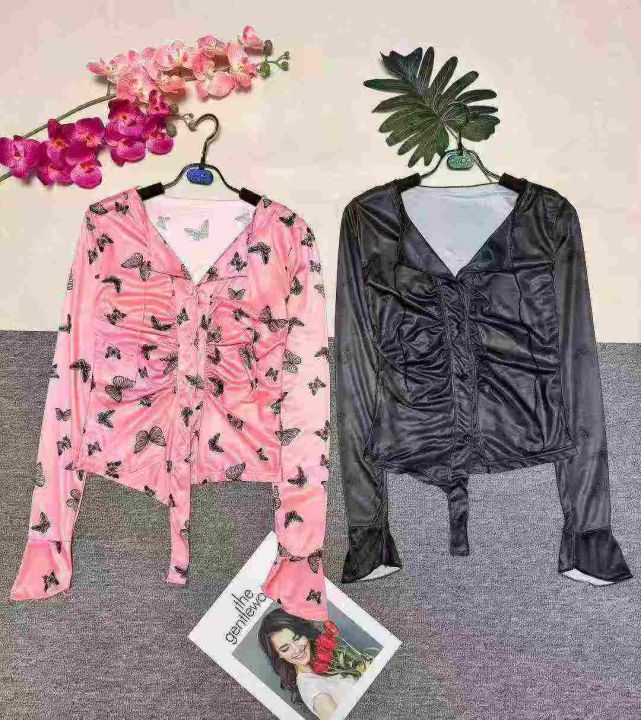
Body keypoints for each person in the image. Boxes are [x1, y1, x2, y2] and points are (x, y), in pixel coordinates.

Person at [258, 608, 358, 719]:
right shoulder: (314, 691)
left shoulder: (322, 657)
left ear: (304, 633)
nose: (297, 650)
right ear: (279, 654)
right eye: (285, 648)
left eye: (297, 638)